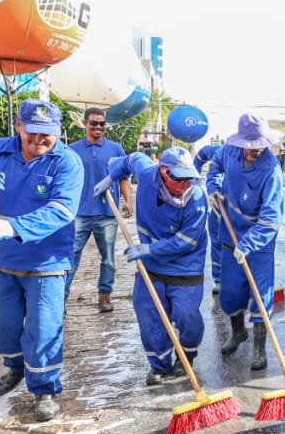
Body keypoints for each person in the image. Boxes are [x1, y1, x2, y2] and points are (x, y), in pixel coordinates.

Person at [0, 99, 84, 422]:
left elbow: (62, 210)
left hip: (47, 262)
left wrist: (13, 226)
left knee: (44, 329)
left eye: (48, 134)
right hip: (1, 259)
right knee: (0, 324)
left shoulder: (66, 162)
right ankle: (16, 367)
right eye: (33, 133)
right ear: (18, 126)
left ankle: (44, 388)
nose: (41, 140)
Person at [95, 147, 207, 385]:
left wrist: (149, 249)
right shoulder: (147, 174)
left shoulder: (196, 198)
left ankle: (187, 355)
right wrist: (110, 178)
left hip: (185, 266)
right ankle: (159, 364)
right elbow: (131, 159)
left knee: (187, 315)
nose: (184, 183)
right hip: (152, 268)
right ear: (163, 172)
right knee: (149, 314)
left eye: (188, 177)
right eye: (178, 178)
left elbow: (187, 240)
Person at [207, 114, 283, 371]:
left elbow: (271, 217)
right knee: (229, 293)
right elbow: (215, 168)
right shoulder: (228, 151)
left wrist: (248, 245)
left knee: (261, 296)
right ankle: (238, 332)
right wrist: (213, 187)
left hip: (259, 241)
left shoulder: (272, 169)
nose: (255, 150)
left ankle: (259, 349)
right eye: (250, 145)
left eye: (260, 145)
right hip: (230, 232)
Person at [66, 109, 132, 313]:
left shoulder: (115, 149)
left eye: (102, 124)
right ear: (85, 123)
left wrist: (128, 201)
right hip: (79, 213)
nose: (98, 128)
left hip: (107, 213)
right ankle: (60, 298)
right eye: (94, 123)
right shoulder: (72, 149)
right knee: (70, 256)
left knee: (109, 258)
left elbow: (123, 178)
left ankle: (105, 296)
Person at [194, 141, 224, 294]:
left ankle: (239, 280)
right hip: (216, 204)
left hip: (235, 206)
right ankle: (219, 280)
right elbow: (198, 161)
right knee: (218, 243)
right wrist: (194, 181)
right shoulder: (215, 151)